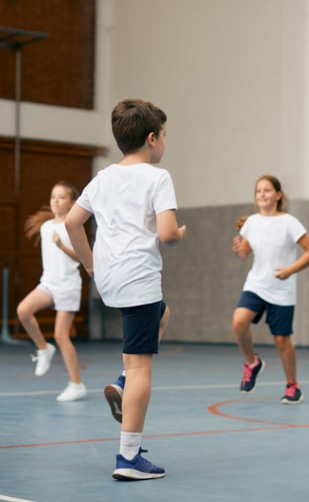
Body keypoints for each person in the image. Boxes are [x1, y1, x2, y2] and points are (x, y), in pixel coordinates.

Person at [65, 98, 185, 480]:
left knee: (162, 315)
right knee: (140, 366)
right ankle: (128, 458)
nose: (164, 142)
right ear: (152, 139)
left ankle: (121, 380)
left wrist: (89, 263)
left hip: (110, 279)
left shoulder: (102, 178)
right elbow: (167, 235)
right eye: (164, 135)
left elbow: (72, 222)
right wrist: (179, 233)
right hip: (138, 279)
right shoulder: (157, 177)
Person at [231, 175, 309, 404]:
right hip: (256, 284)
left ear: (278, 195)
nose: (262, 194)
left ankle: (292, 385)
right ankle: (252, 363)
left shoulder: (290, 222)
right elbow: (244, 253)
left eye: (267, 190)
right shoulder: (251, 222)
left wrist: (290, 270)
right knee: (239, 322)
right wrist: (239, 247)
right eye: (258, 190)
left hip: (281, 288)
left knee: (282, 340)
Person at [18, 182, 87, 401]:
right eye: (53, 197)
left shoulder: (74, 225)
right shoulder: (46, 227)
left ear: (72, 203)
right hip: (48, 283)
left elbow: (83, 257)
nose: (56, 201)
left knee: (61, 335)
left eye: (61, 197)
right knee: (23, 311)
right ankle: (43, 349)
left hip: (68, 285)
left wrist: (62, 246)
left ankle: (76, 384)